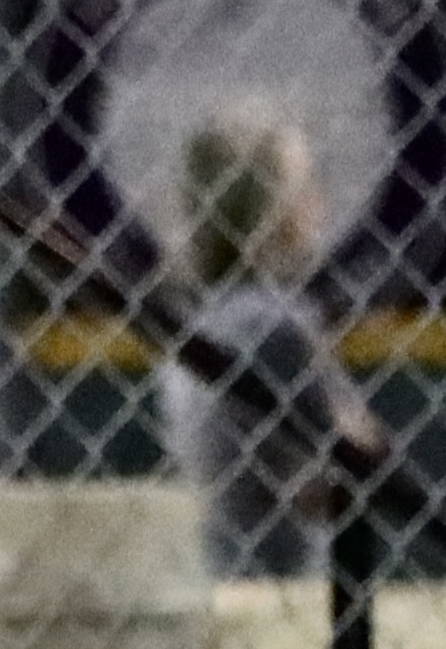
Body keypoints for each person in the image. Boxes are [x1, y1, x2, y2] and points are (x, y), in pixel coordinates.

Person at [162, 114, 378, 582]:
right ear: (269, 209)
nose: (317, 200)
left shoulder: (201, 323)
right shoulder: (275, 325)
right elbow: (350, 459)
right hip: (283, 573)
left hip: (219, 566)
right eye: (303, 186)